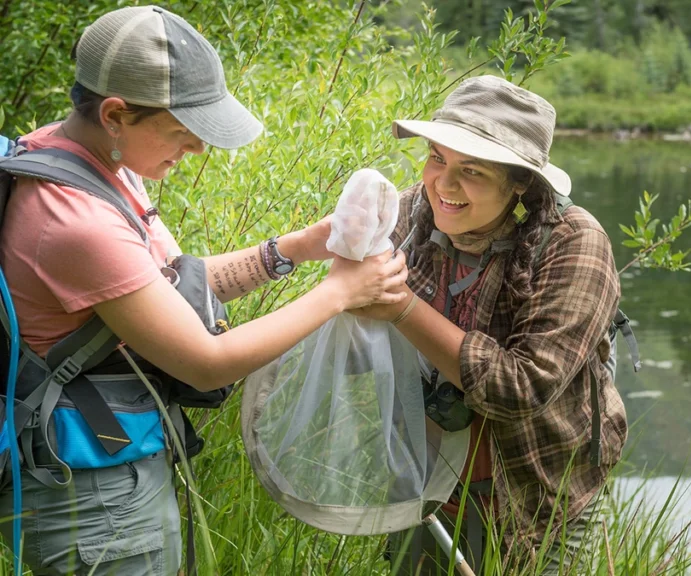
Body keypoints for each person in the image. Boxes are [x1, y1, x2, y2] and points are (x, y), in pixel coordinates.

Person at [0, 6, 407, 575]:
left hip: (110, 474)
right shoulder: (74, 220)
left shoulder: (89, 160)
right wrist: (340, 291)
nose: (198, 150)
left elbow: (155, 292)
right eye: (185, 133)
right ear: (116, 113)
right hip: (92, 503)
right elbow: (207, 363)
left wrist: (293, 248)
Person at [357, 75, 628, 574]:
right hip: (424, 490)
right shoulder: (411, 211)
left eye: (473, 171)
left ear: (520, 182)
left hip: (538, 499)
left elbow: (522, 388)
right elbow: (360, 346)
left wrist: (400, 309)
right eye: (437, 157)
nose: (444, 184)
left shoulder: (575, 244)